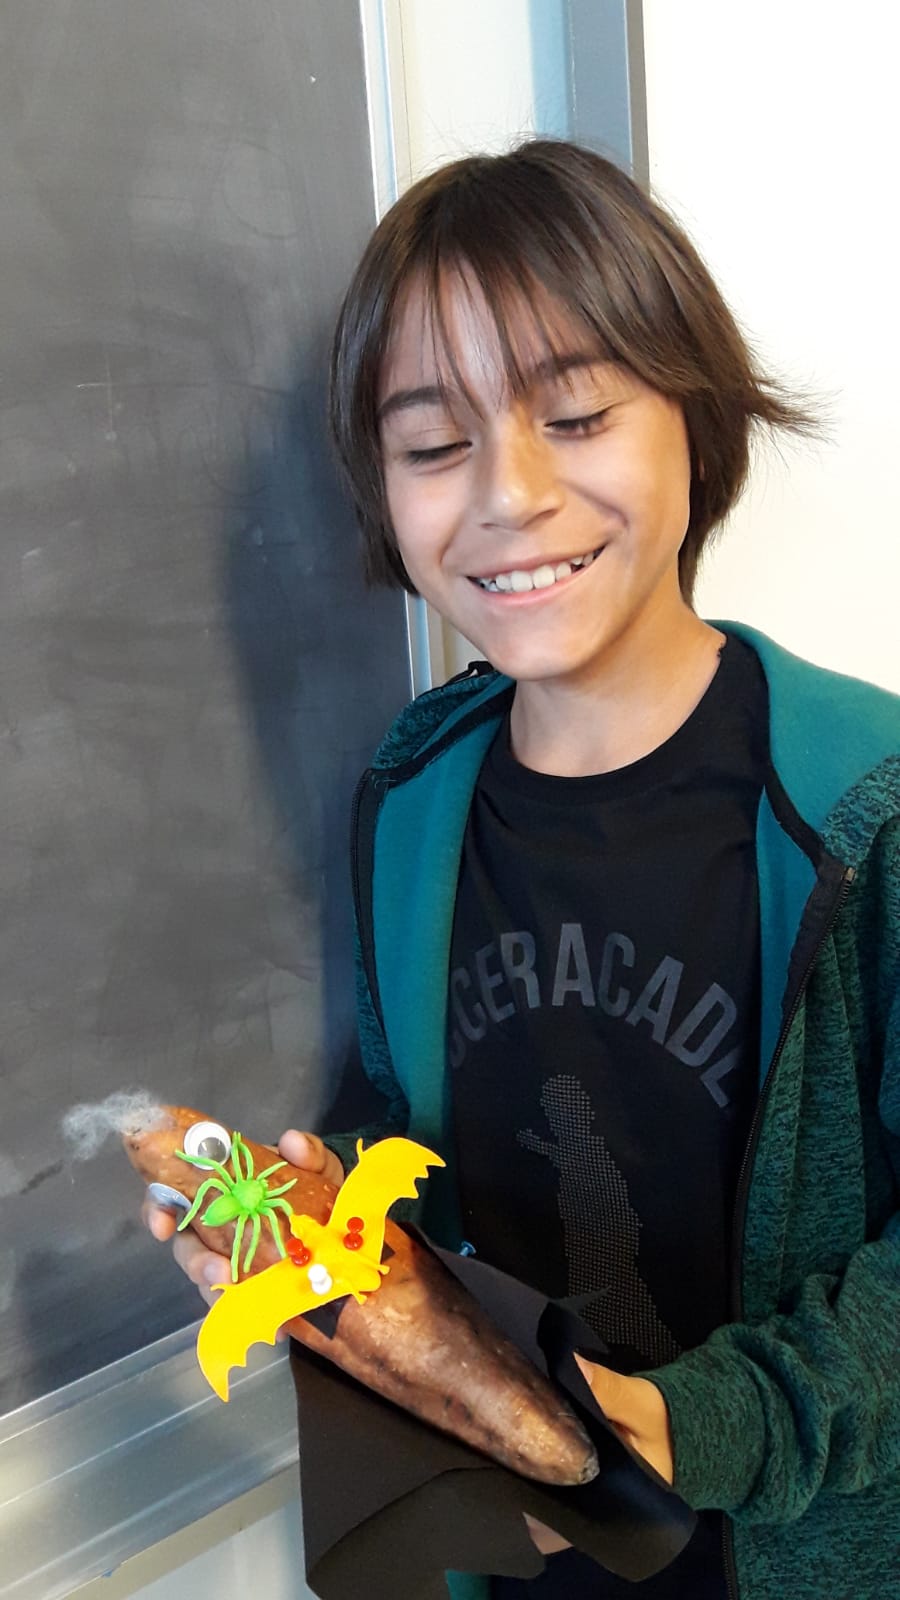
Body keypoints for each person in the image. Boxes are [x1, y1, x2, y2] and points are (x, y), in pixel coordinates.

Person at [147, 141, 900, 1599]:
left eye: (577, 415)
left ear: (695, 416)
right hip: (502, 1566)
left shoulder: (864, 809)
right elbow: (414, 1119)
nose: (510, 493)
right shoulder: (412, 793)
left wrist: (691, 1428)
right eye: (435, 446)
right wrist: (327, 1232)